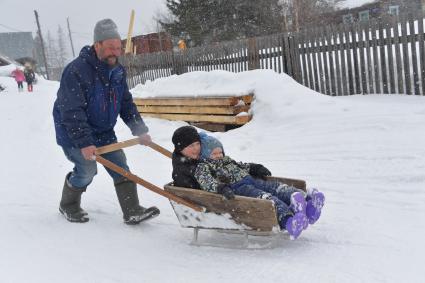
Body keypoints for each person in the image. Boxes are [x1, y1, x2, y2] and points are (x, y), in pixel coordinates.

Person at [53, 18, 160, 224]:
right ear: (97, 45)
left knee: (120, 166)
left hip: (103, 132)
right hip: (74, 134)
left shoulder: (118, 71)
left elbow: (125, 102)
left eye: (118, 47)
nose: (115, 52)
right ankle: (68, 204)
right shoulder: (76, 71)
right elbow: (71, 110)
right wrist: (84, 142)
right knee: (87, 171)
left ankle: (132, 210)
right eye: (110, 47)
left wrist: (139, 129)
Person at [171, 126, 325, 239]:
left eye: (197, 144)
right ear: (181, 148)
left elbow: (240, 165)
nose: (196, 148)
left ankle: (305, 203)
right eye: (191, 146)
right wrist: (221, 187)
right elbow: (207, 182)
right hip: (238, 188)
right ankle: (289, 221)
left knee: (276, 188)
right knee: (267, 198)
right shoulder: (202, 167)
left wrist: (253, 167)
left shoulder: (224, 160)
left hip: (249, 180)